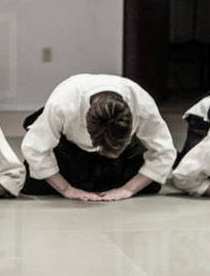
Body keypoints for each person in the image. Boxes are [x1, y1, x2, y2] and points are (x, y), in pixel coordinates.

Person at [21, 73, 176, 201]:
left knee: (151, 185)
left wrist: (128, 190)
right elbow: (35, 148)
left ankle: (95, 180)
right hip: (71, 148)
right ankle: (91, 181)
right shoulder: (63, 104)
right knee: (33, 183)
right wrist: (67, 190)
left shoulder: (141, 103)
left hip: (121, 153)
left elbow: (164, 151)